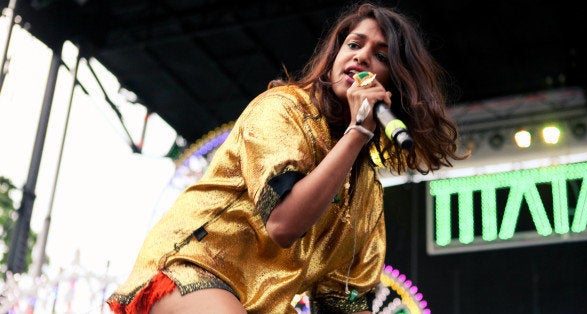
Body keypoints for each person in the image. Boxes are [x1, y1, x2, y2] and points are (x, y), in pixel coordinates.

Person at [107, 2, 466, 313]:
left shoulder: (366, 191)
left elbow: (342, 300)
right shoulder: (284, 110)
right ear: (334, 56)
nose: (360, 56)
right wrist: (358, 132)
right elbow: (283, 223)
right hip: (191, 269)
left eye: (381, 56)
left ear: (393, 84)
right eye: (354, 44)